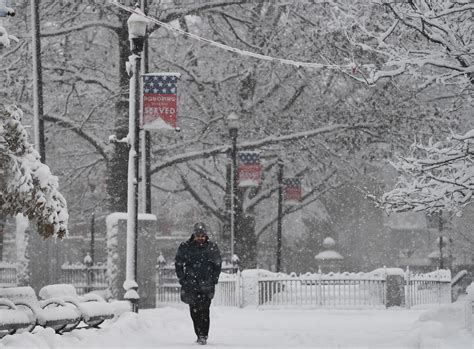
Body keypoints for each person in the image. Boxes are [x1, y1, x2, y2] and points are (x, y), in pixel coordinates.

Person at [175, 222, 222, 345]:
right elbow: (178, 263)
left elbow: (217, 265)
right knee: (194, 311)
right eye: (197, 235)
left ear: (205, 236)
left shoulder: (212, 247)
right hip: (191, 285)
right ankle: (199, 333)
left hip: (207, 285)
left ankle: (203, 335)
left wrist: (214, 279)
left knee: (205, 310)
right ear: (194, 235)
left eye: (202, 236)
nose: (200, 238)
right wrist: (182, 279)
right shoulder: (186, 247)